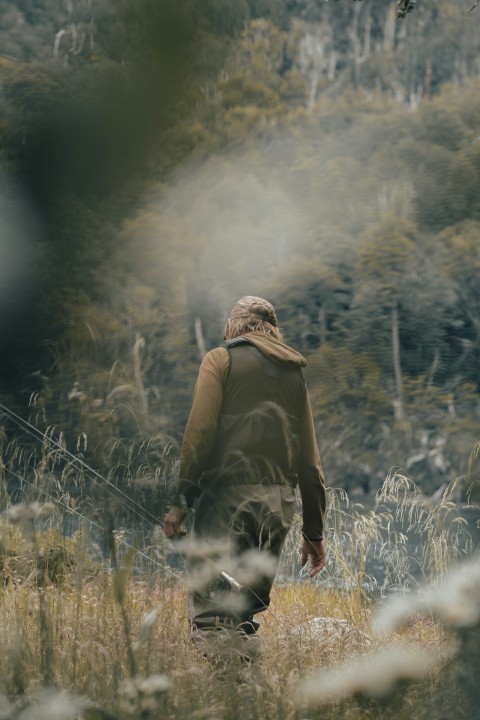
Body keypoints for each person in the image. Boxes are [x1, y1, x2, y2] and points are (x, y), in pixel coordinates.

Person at [163, 296, 326, 662]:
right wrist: (314, 533)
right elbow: (310, 463)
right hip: (277, 509)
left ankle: (227, 698)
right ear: (272, 328)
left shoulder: (220, 360)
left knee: (212, 617)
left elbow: (198, 434)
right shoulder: (294, 373)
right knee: (244, 613)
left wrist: (181, 501)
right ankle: (246, 696)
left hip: (225, 503)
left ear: (234, 325)